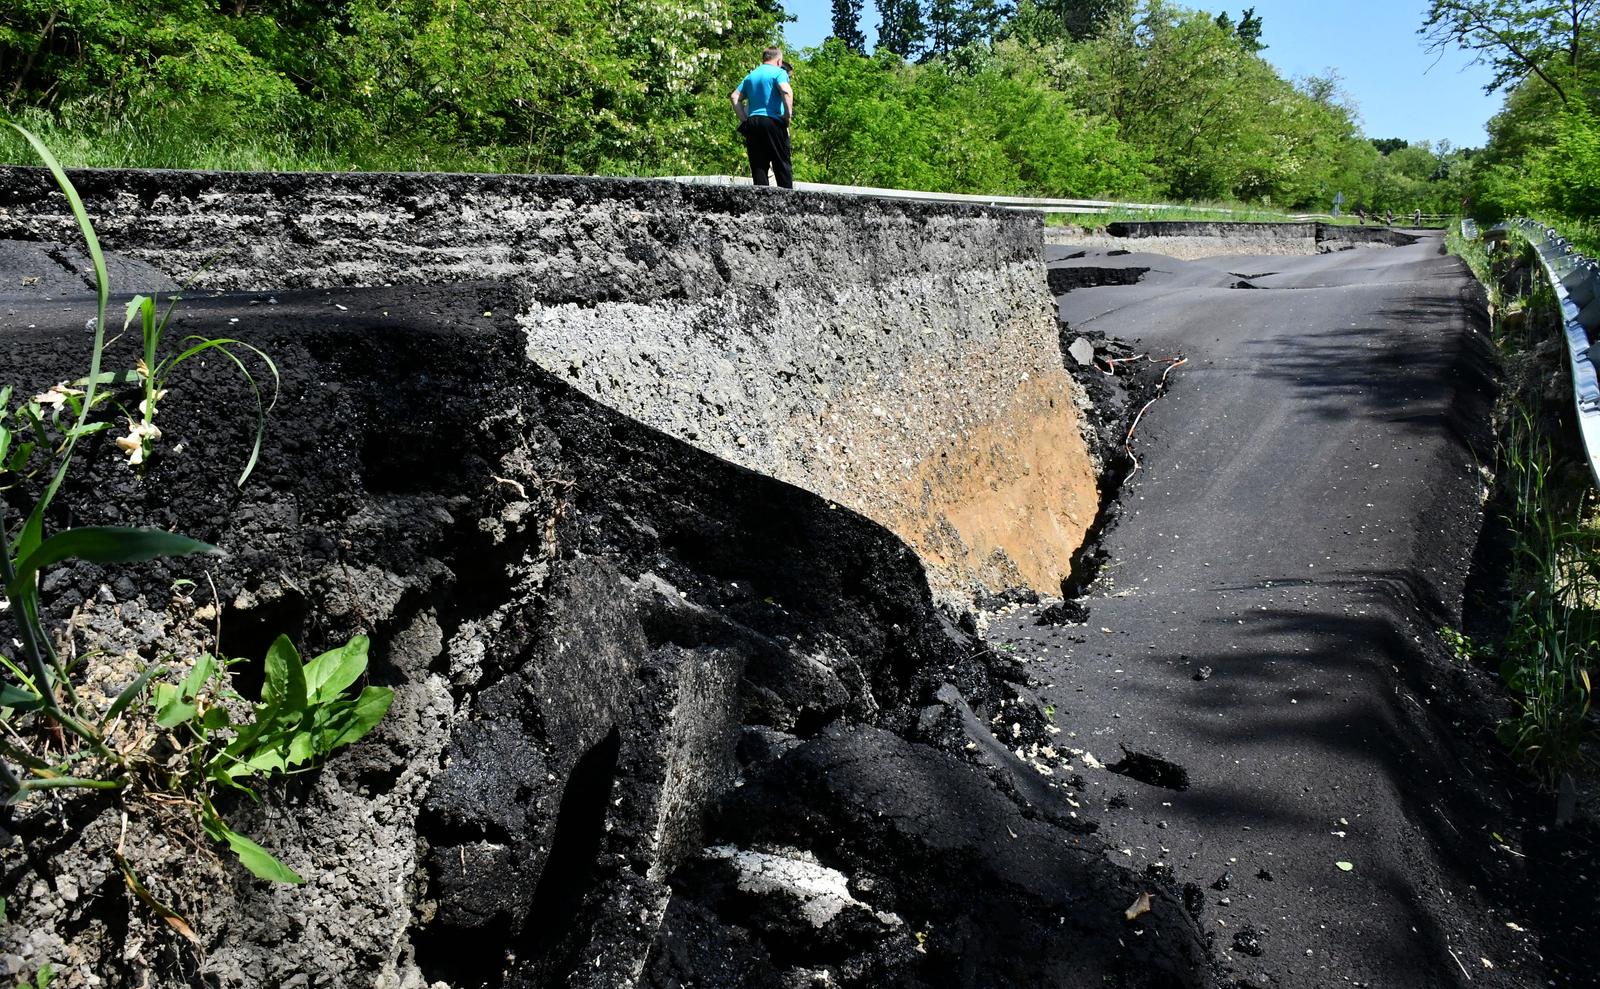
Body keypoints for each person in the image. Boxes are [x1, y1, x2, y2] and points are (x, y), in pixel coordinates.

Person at [731, 47, 794, 189]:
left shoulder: (751, 75)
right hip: (773, 121)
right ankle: (788, 201)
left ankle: (761, 201)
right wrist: (787, 116)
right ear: (779, 61)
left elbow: (735, 97)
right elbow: (786, 91)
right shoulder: (779, 72)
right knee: (781, 163)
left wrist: (744, 120)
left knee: (758, 164)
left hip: (752, 122)